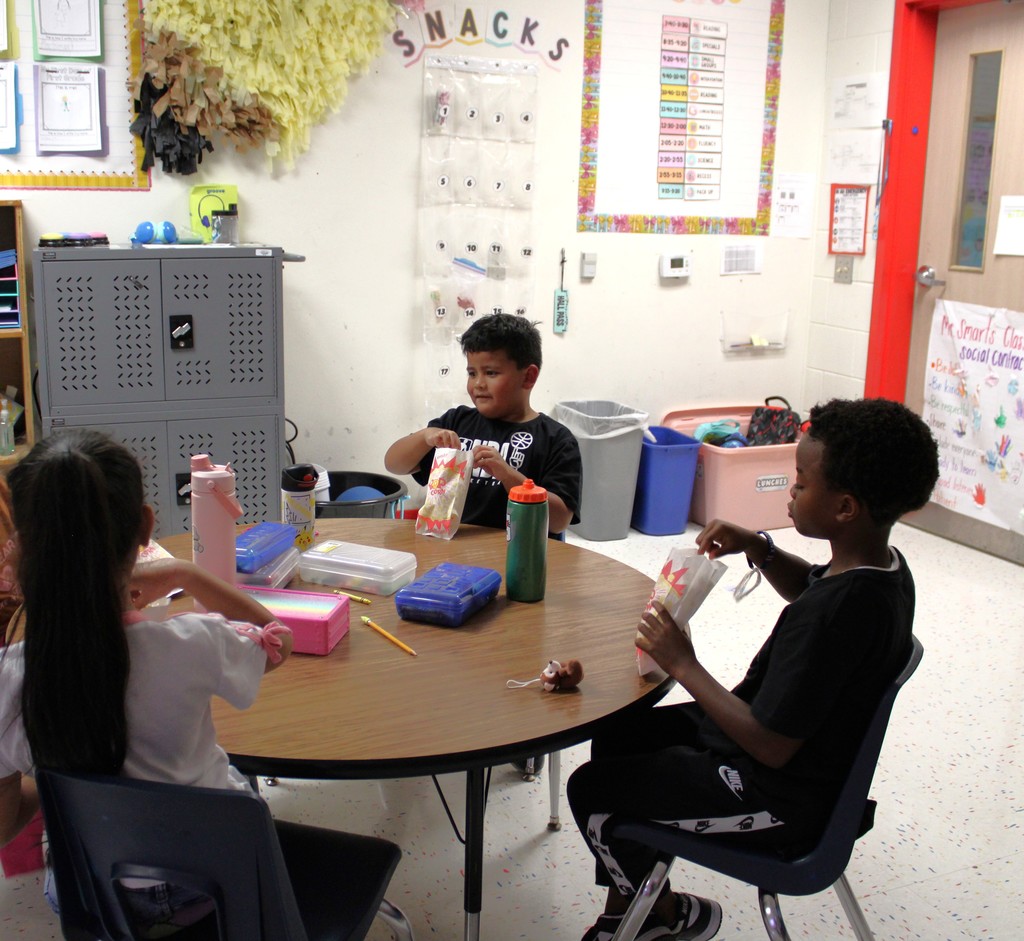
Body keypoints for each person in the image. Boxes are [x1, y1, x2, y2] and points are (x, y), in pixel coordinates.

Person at [567, 397, 939, 941]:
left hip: (777, 798)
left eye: (801, 483)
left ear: (845, 507)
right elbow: (812, 584)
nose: (790, 490)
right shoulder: (880, 571)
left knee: (592, 792)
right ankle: (642, 909)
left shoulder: (833, 619)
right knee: (622, 733)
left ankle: (656, 917)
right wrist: (759, 549)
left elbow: (771, 745)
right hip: (783, 756)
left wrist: (683, 663)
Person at [0, 428, 293, 937]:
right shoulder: (193, 641)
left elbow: (5, 824)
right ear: (145, 527)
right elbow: (278, 642)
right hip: (213, 888)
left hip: (92, 893)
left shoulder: (11, 678)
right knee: (234, 781)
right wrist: (187, 574)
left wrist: (61, 775)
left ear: (21, 546)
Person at [385, 312, 582, 536]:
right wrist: (425, 436)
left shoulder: (556, 439)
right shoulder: (455, 422)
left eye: (491, 373)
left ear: (528, 377)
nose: (478, 383)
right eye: (472, 373)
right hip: (453, 548)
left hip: (518, 551)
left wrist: (508, 475)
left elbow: (558, 521)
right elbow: (394, 464)